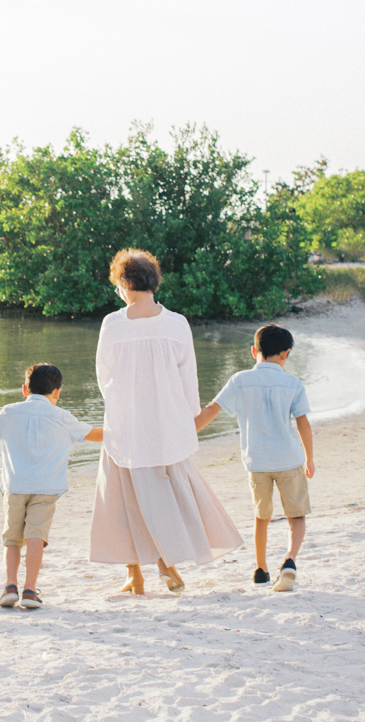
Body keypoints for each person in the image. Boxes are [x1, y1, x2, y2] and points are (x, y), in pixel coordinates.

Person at [89, 250, 243, 595]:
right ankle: (158, 566)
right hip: (166, 424)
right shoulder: (176, 322)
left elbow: (104, 378)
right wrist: (185, 418)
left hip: (126, 422)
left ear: (125, 283)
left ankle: (141, 573)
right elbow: (189, 378)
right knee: (163, 495)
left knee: (123, 497)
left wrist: (122, 408)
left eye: (118, 284)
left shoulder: (113, 323)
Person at [0, 364, 103, 609]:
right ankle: (29, 590)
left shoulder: (10, 412)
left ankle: (10, 586)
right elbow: (96, 435)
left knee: (12, 539)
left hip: (15, 486)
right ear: (57, 392)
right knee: (36, 537)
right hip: (46, 488)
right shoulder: (63, 417)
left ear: (25, 389)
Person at [195, 324, 315, 592]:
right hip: (289, 459)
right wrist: (309, 458)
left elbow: (212, 409)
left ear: (253, 351)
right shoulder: (294, 384)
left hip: (257, 462)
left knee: (262, 517)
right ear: (286, 354)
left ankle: (261, 570)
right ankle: (290, 561)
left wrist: (186, 434)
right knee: (296, 517)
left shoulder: (240, 380)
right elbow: (303, 424)